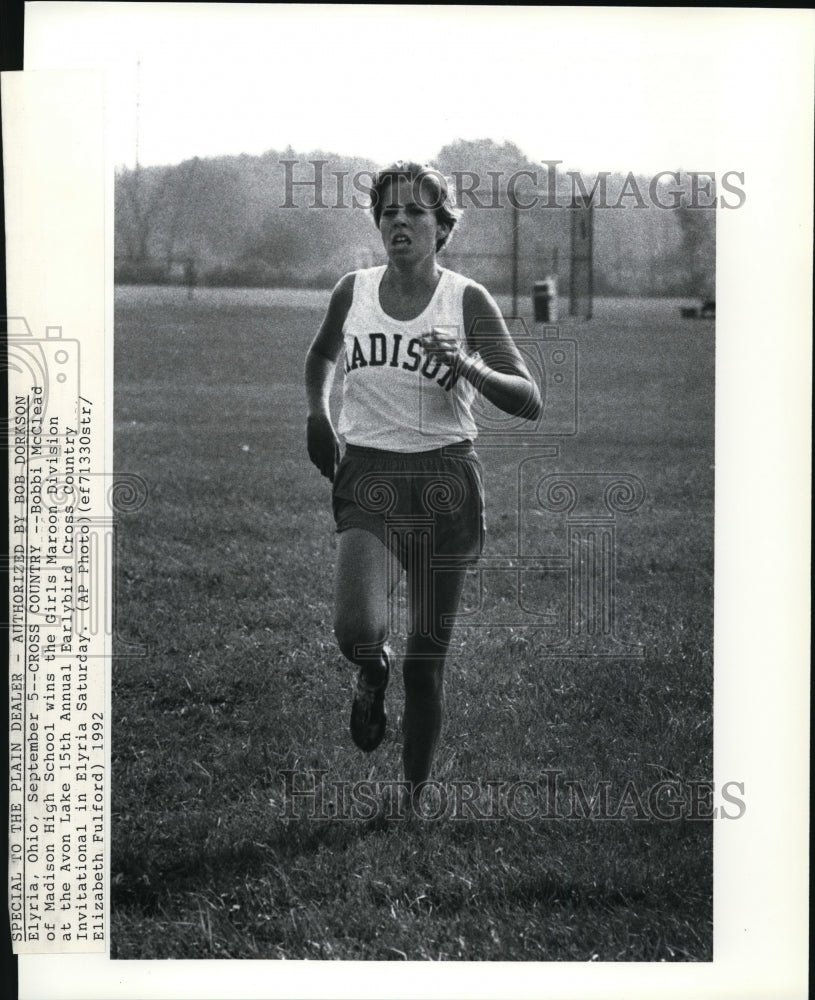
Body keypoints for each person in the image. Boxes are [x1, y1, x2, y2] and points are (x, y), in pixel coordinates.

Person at [305, 162, 541, 807]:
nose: (400, 221)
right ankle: (368, 669)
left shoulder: (466, 299)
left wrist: (466, 364)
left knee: (426, 661)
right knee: (356, 630)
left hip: (445, 482)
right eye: (389, 211)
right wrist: (318, 412)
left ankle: (411, 801)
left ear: (442, 227)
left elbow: (529, 399)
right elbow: (323, 354)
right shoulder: (351, 289)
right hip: (370, 475)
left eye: (416, 211)